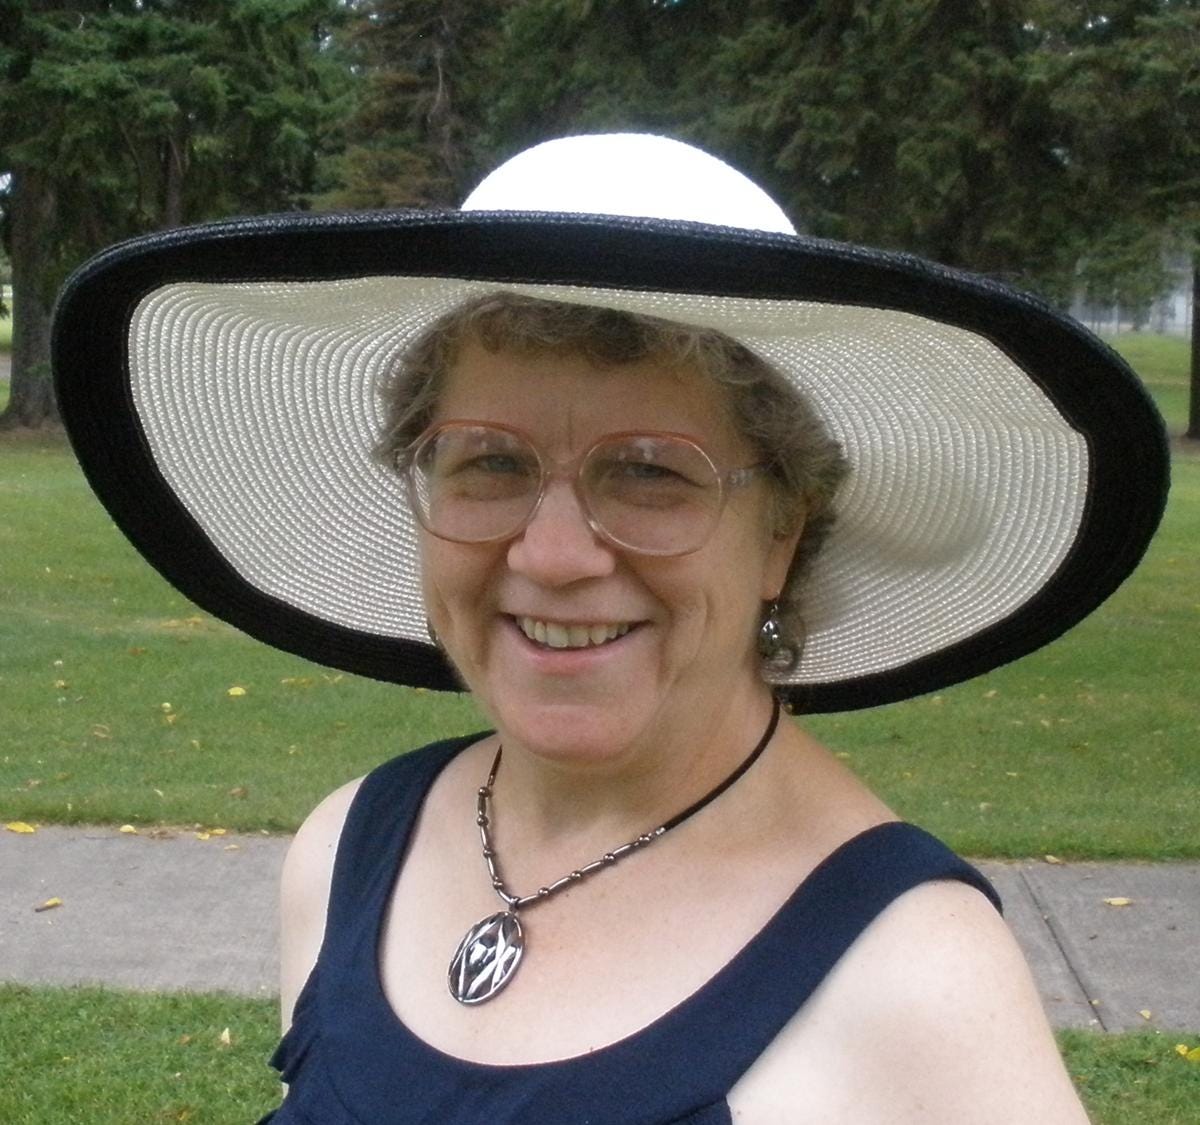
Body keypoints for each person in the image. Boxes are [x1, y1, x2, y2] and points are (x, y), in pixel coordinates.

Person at [52, 134, 1168, 1123]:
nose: (552, 554)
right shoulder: (347, 852)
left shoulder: (913, 976)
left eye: (650, 473)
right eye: (490, 462)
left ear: (782, 532)